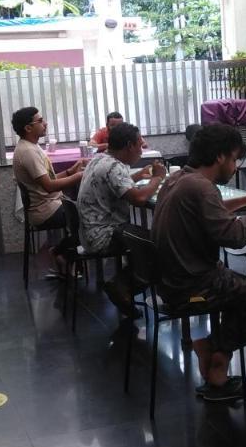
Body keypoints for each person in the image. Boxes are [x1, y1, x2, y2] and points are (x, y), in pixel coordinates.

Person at [151, 123, 246, 402]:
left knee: (239, 290)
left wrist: (244, 201)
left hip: (170, 282)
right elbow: (233, 237)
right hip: (194, 287)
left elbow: (208, 215)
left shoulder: (178, 180)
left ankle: (217, 363)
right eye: (234, 158)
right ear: (220, 156)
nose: (235, 166)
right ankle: (214, 349)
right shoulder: (202, 188)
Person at [76, 123, 165, 320]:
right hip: (103, 235)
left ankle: (123, 286)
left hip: (89, 233)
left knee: (145, 239)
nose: (141, 151)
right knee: (156, 245)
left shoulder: (100, 159)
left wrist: (139, 175)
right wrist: (157, 178)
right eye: (140, 146)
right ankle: (123, 287)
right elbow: (140, 200)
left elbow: (117, 184)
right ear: (129, 146)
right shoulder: (114, 166)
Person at [11, 105, 87, 278]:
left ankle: (63, 254)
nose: (45, 123)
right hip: (44, 211)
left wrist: (70, 171)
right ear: (28, 128)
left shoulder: (32, 146)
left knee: (87, 213)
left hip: (51, 204)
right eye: (40, 121)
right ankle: (61, 253)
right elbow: (49, 186)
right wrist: (81, 175)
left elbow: (47, 180)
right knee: (90, 217)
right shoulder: (28, 152)